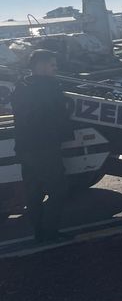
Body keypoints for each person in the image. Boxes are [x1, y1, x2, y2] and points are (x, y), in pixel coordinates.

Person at [10, 50, 74, 242]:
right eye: (52, 65)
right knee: (58, 190)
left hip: (24, 147)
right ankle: (50, 231)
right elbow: (55, 115)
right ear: (41, 65)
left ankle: (39, 231)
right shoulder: (49, 87)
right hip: (45, 146)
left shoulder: (21, 87)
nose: (56, 68)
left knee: (33, 192)